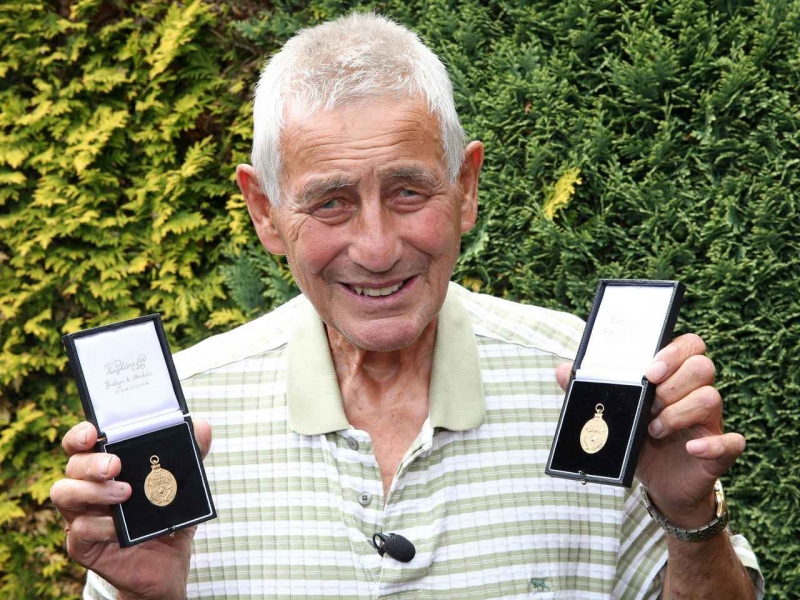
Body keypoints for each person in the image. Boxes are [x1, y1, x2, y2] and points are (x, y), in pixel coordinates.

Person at [51, 13, 763, 600]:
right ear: (264, 212)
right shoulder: (178, 421)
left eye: (407, 192)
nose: (377, 247)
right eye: (331, 202)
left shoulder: (594, 390)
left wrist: (689, 519)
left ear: (466, 188)